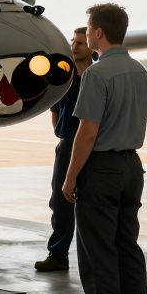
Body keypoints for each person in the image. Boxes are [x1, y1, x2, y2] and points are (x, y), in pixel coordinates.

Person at [60, 3, 147, 294]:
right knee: (128, 249)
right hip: (132, 167)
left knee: (99, 255)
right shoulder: (140, 72)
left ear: (98, 33)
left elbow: (87, 132)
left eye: (88, 28)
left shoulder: (97, 75)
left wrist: (70, 178)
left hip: (102, 169)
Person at [35, 26, 92, 273]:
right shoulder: (66, 79)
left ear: (91, 47)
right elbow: (55, 109)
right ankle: (58, 254)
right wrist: (62, 134)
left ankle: (91, 259)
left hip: (92, 147)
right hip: (67, 146)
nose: (74, 46)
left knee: (90, 205)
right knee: (60, 202)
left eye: (80, 42)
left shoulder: (96, 78)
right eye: (73, 42)